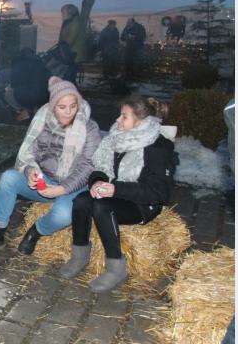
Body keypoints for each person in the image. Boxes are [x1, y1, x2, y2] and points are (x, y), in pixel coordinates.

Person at [62, 97, 177, 293]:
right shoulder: (115, 139)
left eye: (124, 116)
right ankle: (80, 256)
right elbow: (100, 168)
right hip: (117, 193)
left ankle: (116, 268)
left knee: (102, 207)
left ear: (140, 122)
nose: (117, 120)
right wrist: (98, 181)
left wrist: (116, 189)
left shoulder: (159, 147)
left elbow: (159, 193)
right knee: (82, 200)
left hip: (142, 204)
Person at [0, 77, 101, 254]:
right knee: (9, 178)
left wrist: (63, 189)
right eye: (62, 107)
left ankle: (35, 232)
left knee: (64, 214)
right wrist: (30, 171)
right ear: (52, 106)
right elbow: (30, 153)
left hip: (74, 186)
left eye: (73, 106)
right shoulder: (43, 122)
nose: (68, 112)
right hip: (47, 179)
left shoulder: (90, 128)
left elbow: (88, 167)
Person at [3, 47, 50, 121]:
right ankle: (35, 111)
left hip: (25, 95)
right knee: (35, 93)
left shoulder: (18, 64)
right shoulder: (41, 63)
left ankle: (25, 111)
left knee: (8, 93)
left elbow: (14, 83)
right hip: (44, 96)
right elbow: (49, 78)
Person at [58, 4, 88, 81]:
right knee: (69, 77)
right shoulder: (69, 22)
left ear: (69, 13)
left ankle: (71, 91)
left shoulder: (75, 23)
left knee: (69, 78)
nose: (62, 15)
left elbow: (69, 40)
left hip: (73, 55)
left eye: (63, 13)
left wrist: (61, 51)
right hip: (70, 55)